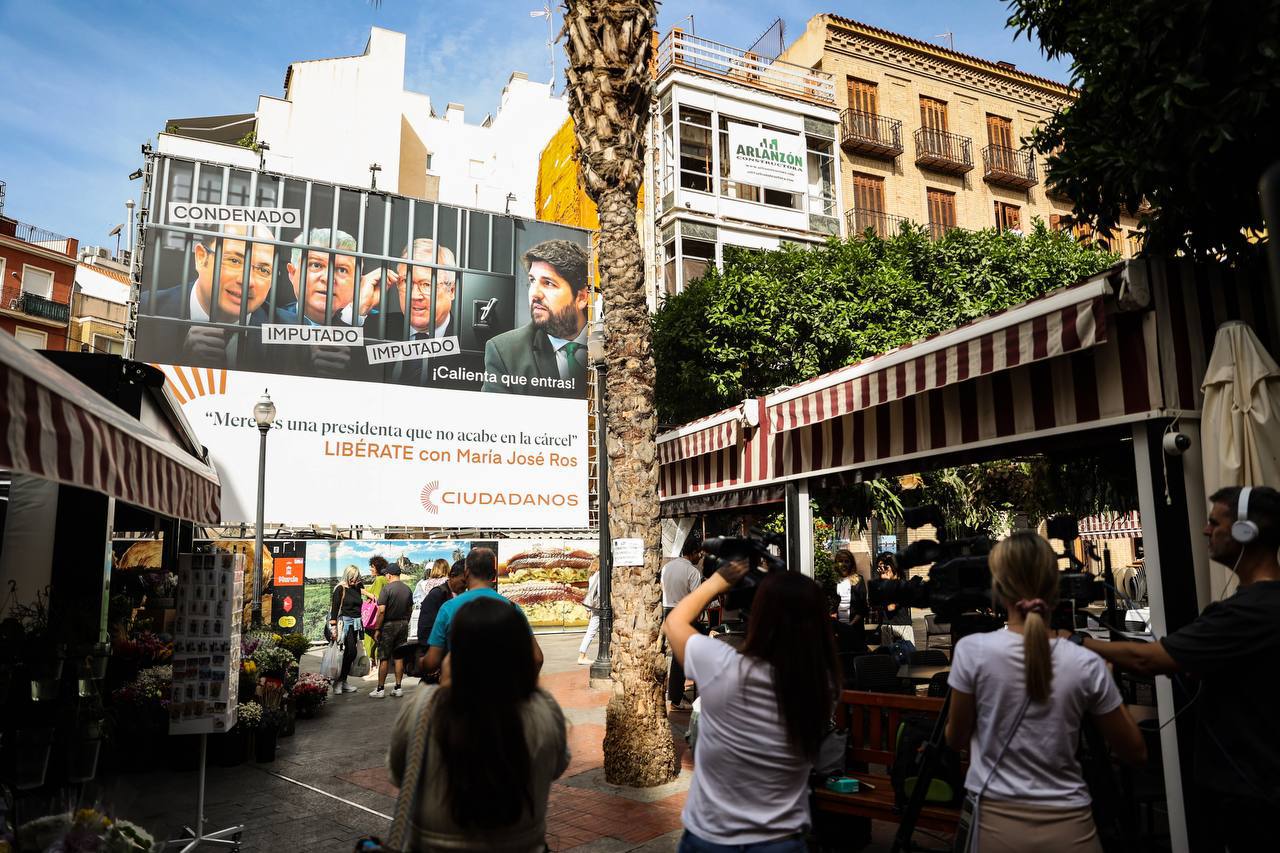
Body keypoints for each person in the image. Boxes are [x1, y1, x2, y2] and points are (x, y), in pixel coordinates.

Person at [1064, 485, 1280, 851]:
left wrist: (1076, 642)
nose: (1205, 530)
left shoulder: (1248, 613)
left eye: (1215, 522)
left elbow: (1149, 660)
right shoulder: (1257, 607)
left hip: (1254, 797)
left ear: (1247, 531)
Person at [945, 532, 1146, 853]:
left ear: (998, 588)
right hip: (1072, 828)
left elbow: (955, 739)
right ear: (1056, 586)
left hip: (996, 825)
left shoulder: (972, 652)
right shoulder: (1085, 662)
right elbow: (1134, 752)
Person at [663, 561, 839, 851]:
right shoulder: (822, 684)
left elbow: (674, 622)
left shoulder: (723, 665)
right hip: (781, 839)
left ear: (760, 617)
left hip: (712, 836)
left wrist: (716, 582)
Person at [387, 596, 568, 850]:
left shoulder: (423, 707)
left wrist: (447, 686)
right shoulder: (543, 709)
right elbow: (557, 767)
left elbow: (398, 774)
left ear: (457, 650)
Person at [482, 239, 589, 398]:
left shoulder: (612, 343)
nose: (534, 294)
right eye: (532, 281)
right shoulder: (505, 352)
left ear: (581, 298)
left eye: (549, 283)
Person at [423, 547, 544, 676]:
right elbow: (537, 658)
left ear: (467, 572)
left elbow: (432, 663)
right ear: (493, 575)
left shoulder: (448, 608)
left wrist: (418, 663)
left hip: (462, 692)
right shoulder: (512, 608)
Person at [662, 537, 706, 711]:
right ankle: (677, 698)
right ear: (693, 553)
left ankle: (673, 693)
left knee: (674, 656)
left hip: (667, 611)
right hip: (685, 613)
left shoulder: (667, 567)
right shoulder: (693, 572)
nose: (700, 557)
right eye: (699, 554)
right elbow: (697, 599)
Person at [416, 560, 468, 680]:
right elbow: (425, 628)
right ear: (452, 576)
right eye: (463, 581)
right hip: (438, 660)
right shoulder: (437, 595)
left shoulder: (461, 596)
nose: (465, 586)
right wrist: (431, 657)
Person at [371, 563, 414, 698]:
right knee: (399, 656)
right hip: (403, 625)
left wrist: (377, 629)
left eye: (386, 574)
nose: (385, 576)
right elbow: (409, 610)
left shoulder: (387, 589)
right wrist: (405, 622)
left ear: (389, 575)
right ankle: (398, 687)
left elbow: (381, 611)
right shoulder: (408, 589)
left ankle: (380, 689)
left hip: (389, 626)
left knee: (384, 657)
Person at [327, 565, 365, 694]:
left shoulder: (358, 587)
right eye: (352, 578)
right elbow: (334, 609)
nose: (354, 581)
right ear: (347, 576)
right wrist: (333, 628)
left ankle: (343, 681)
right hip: (345, 624)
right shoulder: (340, 589)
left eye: (356, 578)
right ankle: (338, 682)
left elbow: (360, 602)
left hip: (356, 624)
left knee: (351, 653)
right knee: (350, 652)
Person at [875, 552, 915, 647]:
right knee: (888, 660)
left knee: (908, 658)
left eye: (885, 567)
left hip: (903, 627)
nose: (882, 571)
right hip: (886, 628)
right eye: (880, 568)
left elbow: (891, 607)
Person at [363, 556, 388, 669]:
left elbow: (377, 598)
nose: (370, 569)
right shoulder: (384, 579)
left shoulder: (379, 580)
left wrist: (363, 591)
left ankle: (374, 667)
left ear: (378, 567)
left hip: (373, 617)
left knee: (371, 642)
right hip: (380, 617)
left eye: (372, 567)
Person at [577, 560, 602, 666]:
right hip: (599, 606)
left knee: (591, 630)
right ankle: (582, 656)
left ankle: (583, 655)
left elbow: (590, 593)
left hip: (594, 606)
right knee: (591, 631)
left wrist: (588, 610)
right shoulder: (600, 575)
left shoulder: (592, 576)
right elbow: (600, 592)